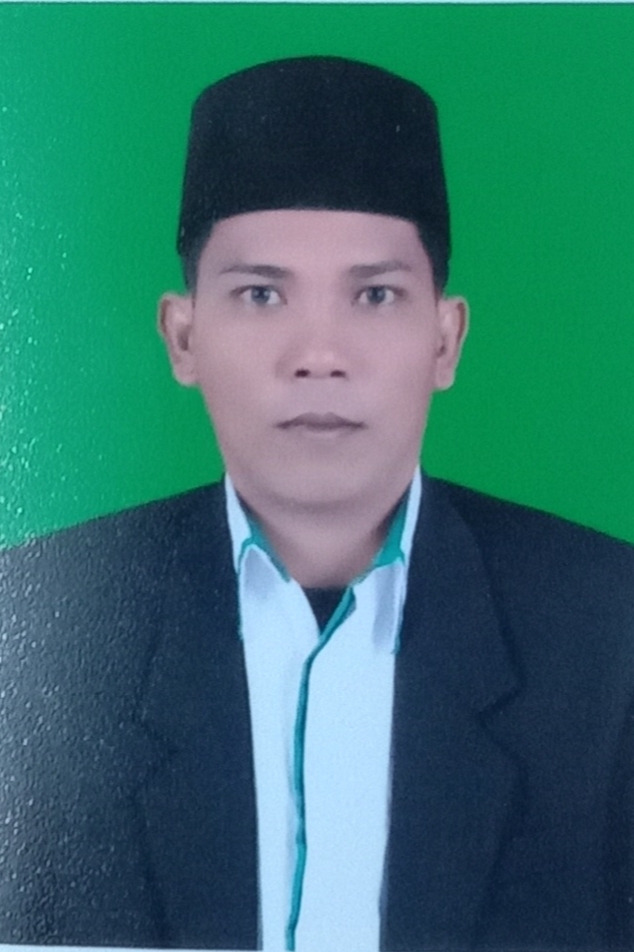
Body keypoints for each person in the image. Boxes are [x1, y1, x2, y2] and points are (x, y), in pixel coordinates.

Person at [0, 55, 632, 952]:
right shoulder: (34, 622)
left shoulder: (608, 632)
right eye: (261, 294)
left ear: (445, 339)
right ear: (183, 336)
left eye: (375, 295)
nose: (320, 355)